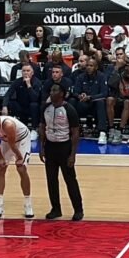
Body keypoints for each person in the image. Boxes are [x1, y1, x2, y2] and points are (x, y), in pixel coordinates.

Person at [39, 85, 84, 221]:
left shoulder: (69, 109)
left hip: (64, 147)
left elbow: (76, 132)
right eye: (51, 90)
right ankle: (56, 209)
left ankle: (78, 210)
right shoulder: (45, 108)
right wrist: (41, 148)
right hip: (50, 147)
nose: (52, 92)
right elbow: (42, 127)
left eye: (55, 90)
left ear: (62, 94)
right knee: (51, 180)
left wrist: (72, 154)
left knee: (70, 180)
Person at [0, 109, 34, 219]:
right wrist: (0, 157)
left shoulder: (8, 125)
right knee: (0, 168)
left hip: (21, 139)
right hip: (6, 141)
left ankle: (28, 204)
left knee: (21, 169)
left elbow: (13, 145)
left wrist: (19, 158)